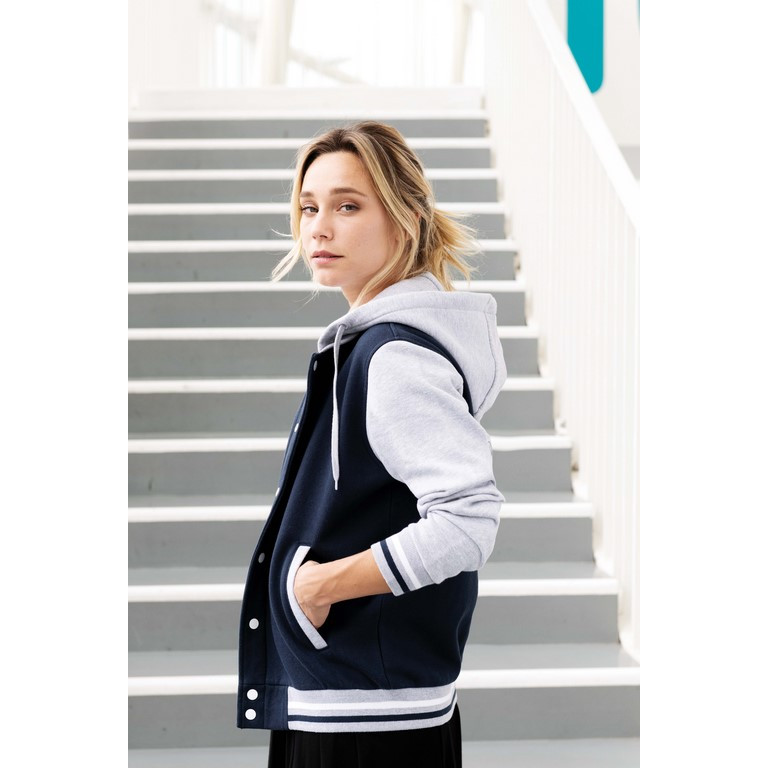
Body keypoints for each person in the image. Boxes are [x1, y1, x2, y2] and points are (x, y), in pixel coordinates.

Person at [237, 121, 507, 768]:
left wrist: (320, 587)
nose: (318, 229)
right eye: (309, 208)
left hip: (366, 727)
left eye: (348, 206)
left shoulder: (393, 356)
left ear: (406, 219)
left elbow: (468, 520)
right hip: (352, 705)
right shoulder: (371, 345)